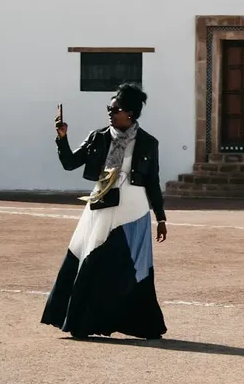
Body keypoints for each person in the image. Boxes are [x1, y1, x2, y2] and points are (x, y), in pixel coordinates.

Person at [41, 83, 168, 340]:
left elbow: (153, 182)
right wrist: (62, 138)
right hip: (101, 207)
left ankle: (142, 325)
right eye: (109, 109)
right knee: (90, 261)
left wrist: (161, 217)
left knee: (131, 268)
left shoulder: (147, 143)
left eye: (115, 109)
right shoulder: (98, 137)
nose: (110, 113)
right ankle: (81, 322)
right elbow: (69, 164)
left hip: (133, 212)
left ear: (130, 113)